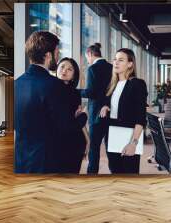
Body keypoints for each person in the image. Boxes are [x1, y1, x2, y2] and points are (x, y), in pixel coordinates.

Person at [14, 31, 87, 173]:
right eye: (57, 52)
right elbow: (65, 127)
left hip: (21, 162)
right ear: (48, 55)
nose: (57, 56)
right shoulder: (55, 85)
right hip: (47, 163)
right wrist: (83, 116)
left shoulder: (17, 84)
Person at [99, 48, 148, 174]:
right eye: (115, 59)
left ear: (130, 64)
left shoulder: (137, 84)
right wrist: (105, 106)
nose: (116, 62)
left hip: (129, 135)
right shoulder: (112, 84)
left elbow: (140, 117)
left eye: (121, 60)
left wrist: (133, 143)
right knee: (115, 171)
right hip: (112, 134)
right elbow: (114, 104)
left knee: (129, 174)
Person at [80, 43, 112, 174]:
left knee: (94, 148)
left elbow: (91, 92)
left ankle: (92, 175)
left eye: (87, 58)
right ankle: (114, 172)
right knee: (110, 147)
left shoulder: (92, 68)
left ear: (90, 54)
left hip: (96, 115)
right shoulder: (112, 67)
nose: (88, 61)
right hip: (110, 112)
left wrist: (74, 91)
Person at [56, 57, 90, 173]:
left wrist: (87, 139)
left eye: (69, 69)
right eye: (62, 67)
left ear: (74, 75)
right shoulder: (51, 90)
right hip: (59, 143)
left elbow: (78, 119)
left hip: (76, 142)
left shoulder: (75, 94)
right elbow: (78, 118)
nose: (64, 70)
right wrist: (84, 115)